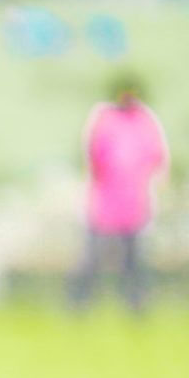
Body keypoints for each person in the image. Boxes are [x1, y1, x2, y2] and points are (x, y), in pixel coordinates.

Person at [70, 75, 168, 312]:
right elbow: (94, 155)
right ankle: (79, 302)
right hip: (105, 199)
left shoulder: (145, 121)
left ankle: (136, 303)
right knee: (92, 257)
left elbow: (156, 157)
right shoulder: (104, 119)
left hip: (134, 202)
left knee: (133, 260)